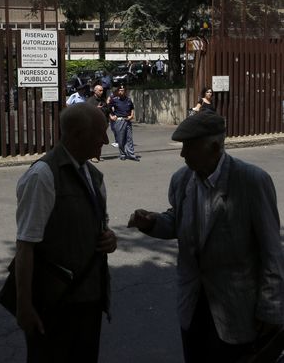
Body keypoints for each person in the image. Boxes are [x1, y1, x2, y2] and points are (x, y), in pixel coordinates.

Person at [128, 112, 284, 363]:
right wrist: (153, 223)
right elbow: (178, 221)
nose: (182, 154)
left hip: (237, 310)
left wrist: (271, 308)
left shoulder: (251, 181)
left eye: (189, 147)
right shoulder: (182, 180)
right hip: (193, 305)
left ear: (213, 147)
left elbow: (272, 251)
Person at [15, 104, 117, 362]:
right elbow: (25, 245)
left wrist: (109, 239)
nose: (106, 140)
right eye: (100, 133)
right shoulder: (43, 176)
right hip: (54, 305)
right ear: (78, 135)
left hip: (89, 301)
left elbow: (97, 227)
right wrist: (24, 306)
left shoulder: (94, 175)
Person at [109, 84, 139, 161]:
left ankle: (131, 154)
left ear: (125, 91)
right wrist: (111, 116)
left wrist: (132, 115)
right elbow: (108, 109)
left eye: (123, 90)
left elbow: (132, 108)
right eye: (120, 90)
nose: (122, 92)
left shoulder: (128, 100)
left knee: (129, 138)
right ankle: (122, 154)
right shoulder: (114, 100)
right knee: (121, 139)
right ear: (118, 91)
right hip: (119, 120)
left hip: (127, 120)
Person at [86, 84, 110, 163]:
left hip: (103, 123)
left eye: (102, 90)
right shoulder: (90, 100)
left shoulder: (102, 100)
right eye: (100, 90)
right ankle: (93, 156)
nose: (101, 92)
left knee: (100, 141)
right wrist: (96, 109)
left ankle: (97, 155)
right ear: (95, 91)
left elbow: (107, 109)